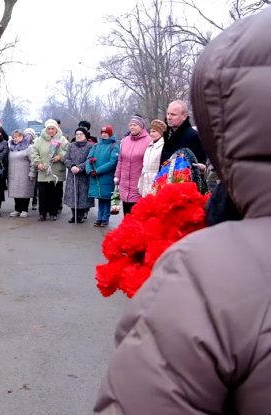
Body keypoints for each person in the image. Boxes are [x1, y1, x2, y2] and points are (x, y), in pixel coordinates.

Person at [95, 8, 271, 413]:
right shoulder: (161, 138)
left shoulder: (212, 271)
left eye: (173, 115)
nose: (168, 121)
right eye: (167, 117)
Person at [32, 119, 69, 221]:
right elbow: (34, 153)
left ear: (56, 129)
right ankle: (42, 213)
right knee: (43, 193)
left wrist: (60, 157)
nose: (51, 131)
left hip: (56, 171)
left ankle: (54, 212)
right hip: (43, 171)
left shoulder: (62, 139)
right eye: (49, 128)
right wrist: (38, 163)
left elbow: (67, 151)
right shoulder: (39, 140)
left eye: (53, 128)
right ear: (45, 129)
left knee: (55, 193)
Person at [114, 115, 151, 214]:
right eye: (130, 125)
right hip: (124, 184)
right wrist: (117, 176)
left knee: (137, 214)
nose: (132, 127)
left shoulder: (148, 141)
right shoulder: (125, 141)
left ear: (141, 126)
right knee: (126, 214)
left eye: (135, 125)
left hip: (138, 184)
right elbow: (120, 160)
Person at [86, 125, 119, 227]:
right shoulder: (96, 146)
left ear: (110, 134)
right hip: (95, 176)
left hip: (106, 176)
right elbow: (89, 158)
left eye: (106, 133)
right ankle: (99, 217)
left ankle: (105, 218)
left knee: (106, 198)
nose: (104, 134)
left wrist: (98, 170)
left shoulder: (114, 146)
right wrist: (89, 170)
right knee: (100, 198)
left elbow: (112, 162)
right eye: (103, 132)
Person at [160, 100, 206, 164]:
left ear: (184, 116)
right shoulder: (168, 135)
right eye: (168, 114)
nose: (169, 117)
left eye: (173, 114)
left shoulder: (193, 136)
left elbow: (198, 165)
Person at [64, 127, 94, 223]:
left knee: (83, 196)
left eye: (81, 134)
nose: (79, 136)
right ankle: (74, 215)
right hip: (72, 174)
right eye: (77, 134)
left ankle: (81, 215)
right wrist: (72, 166)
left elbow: (90, 160)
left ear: (85, 135)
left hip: (83, 175)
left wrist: (80, 168)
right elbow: (66, 159)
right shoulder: (71, 146)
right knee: (72, 195)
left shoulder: (90, 146)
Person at [7, 128, 35, 217]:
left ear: (22, 136)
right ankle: (17, 209)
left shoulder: (29, 148)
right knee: (16, 191)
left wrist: (32, 172)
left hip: (25, 174)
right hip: (13, 174)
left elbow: (34, 161)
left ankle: (24, 209)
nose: (15, 139)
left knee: (24, 192)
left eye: (17, 137)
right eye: (14, 137)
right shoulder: (11, 148)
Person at [137, 119, 166, 197]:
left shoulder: (164, 146)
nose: (151, 134)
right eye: (150, 131)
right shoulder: (149, 146)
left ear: (161, 132)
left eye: (154, 131)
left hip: (156, 181)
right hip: (146, 180)